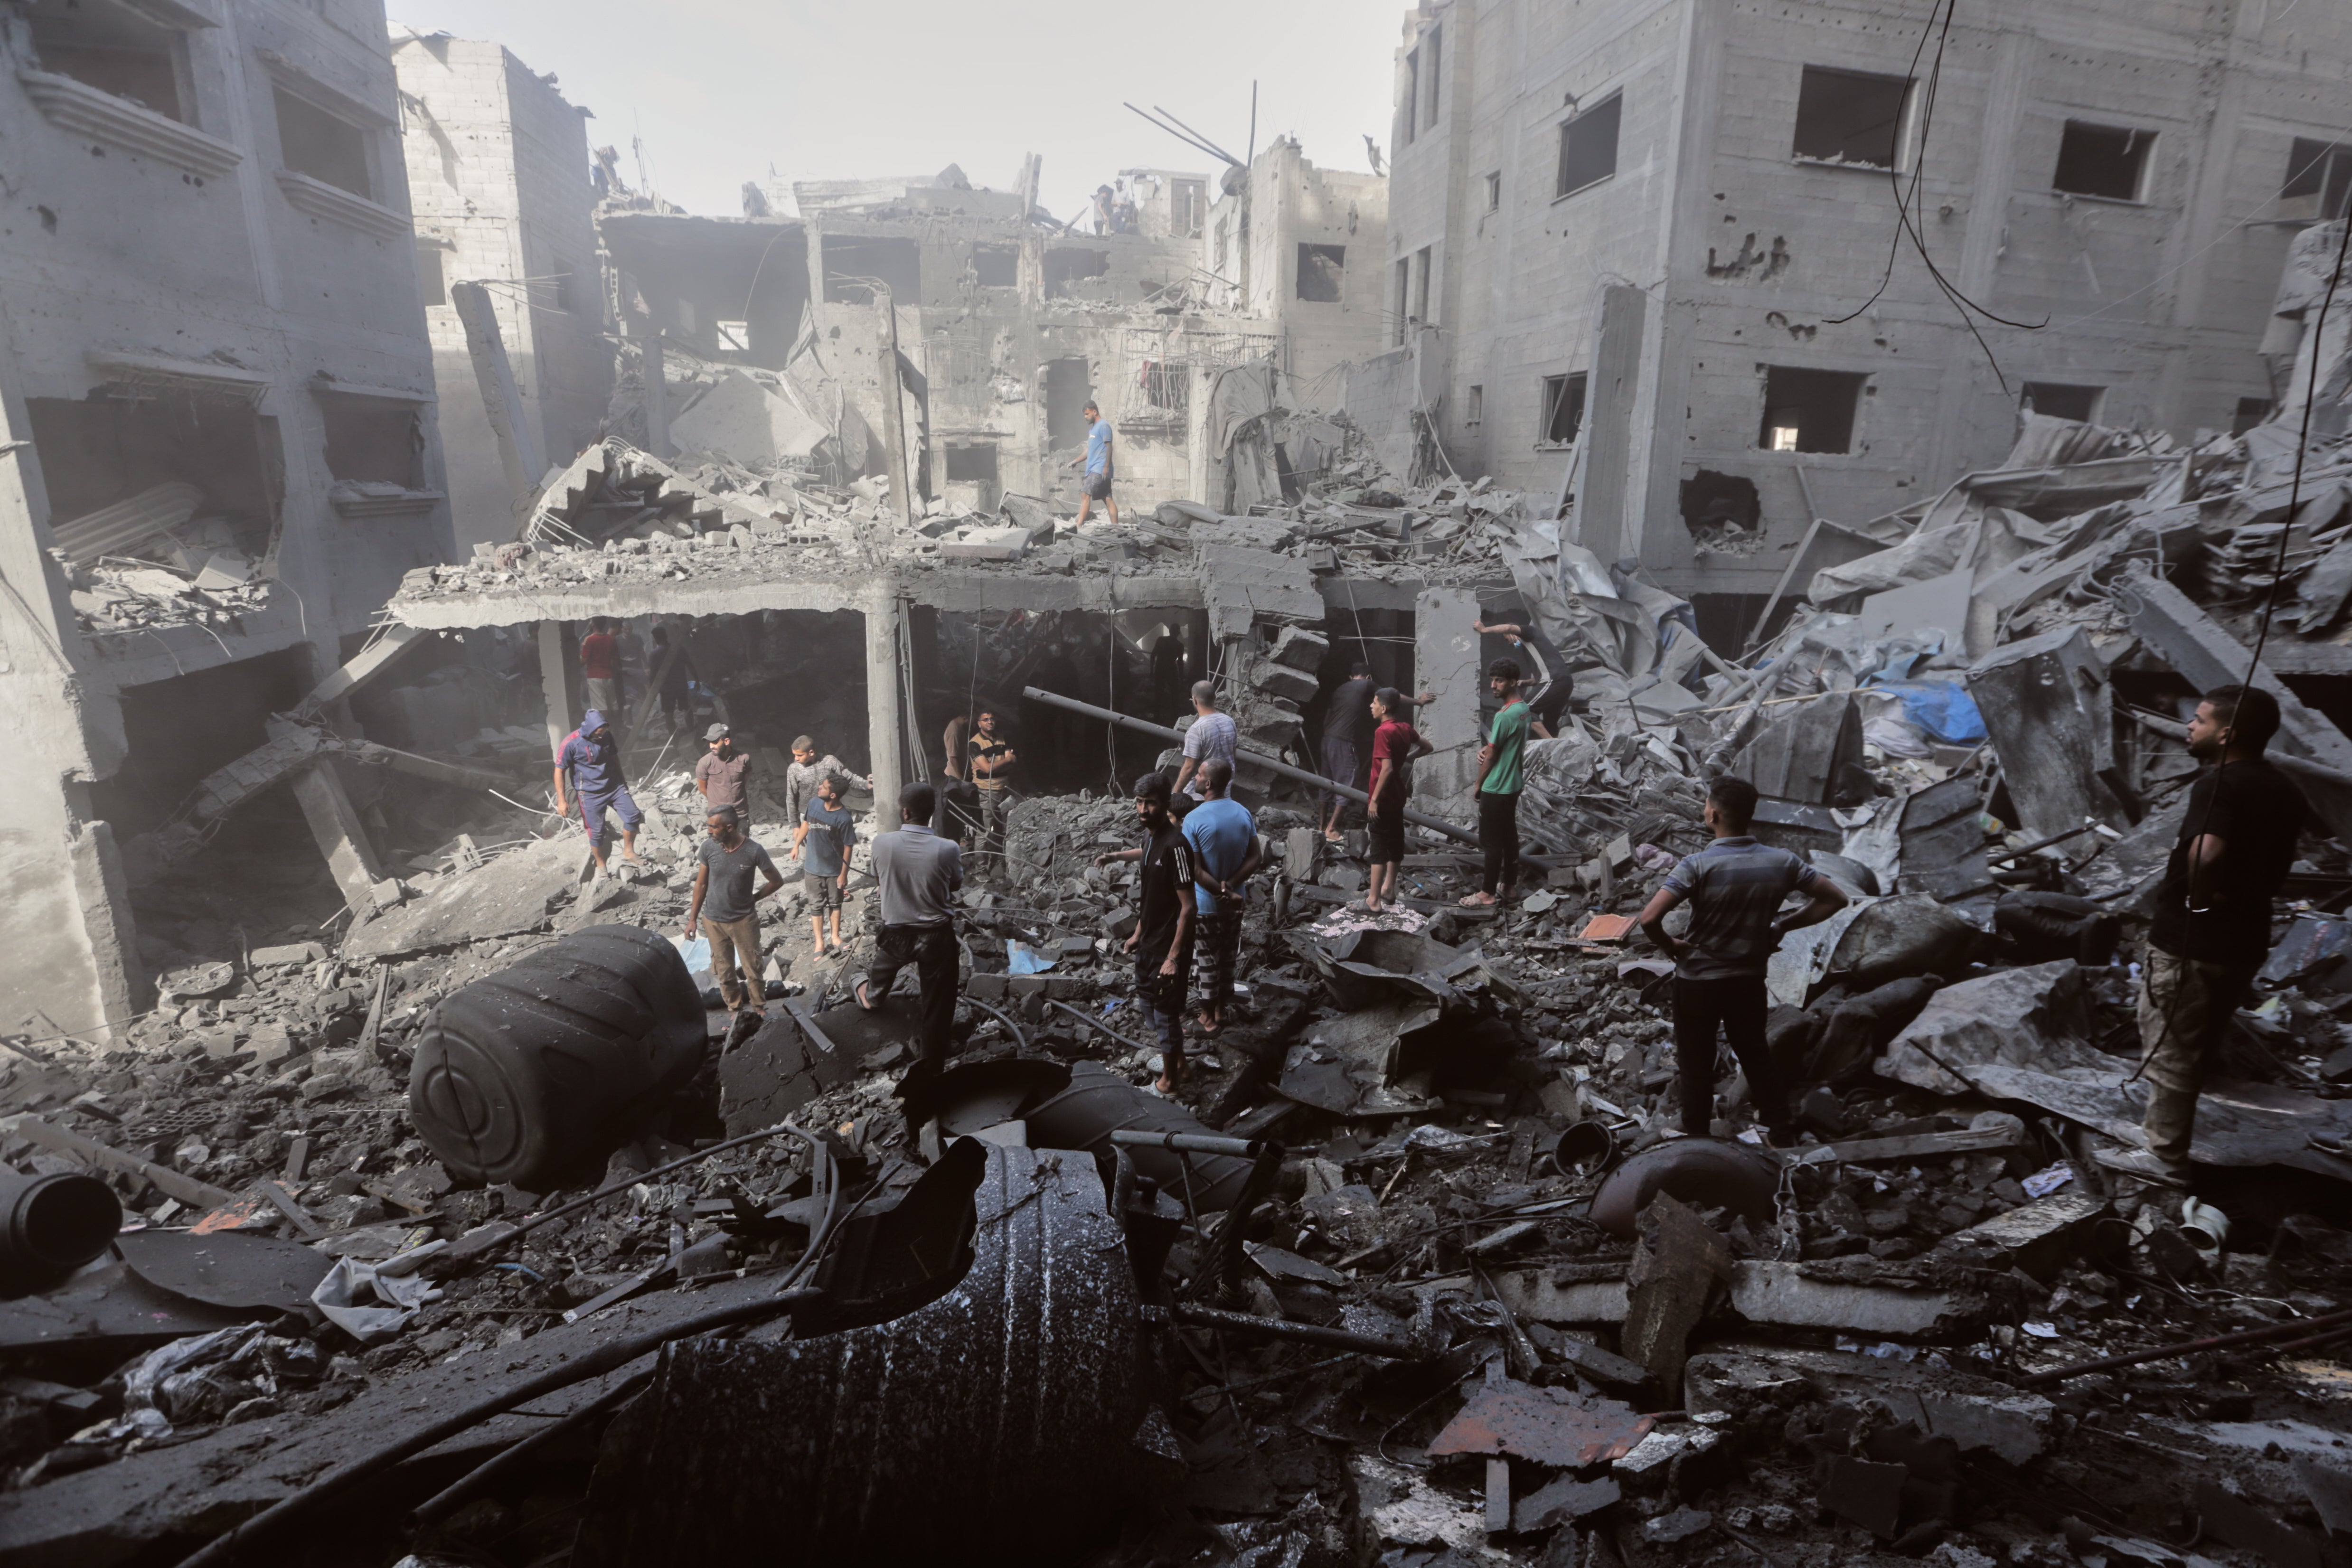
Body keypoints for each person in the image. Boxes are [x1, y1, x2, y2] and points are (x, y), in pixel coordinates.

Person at [2137, 685, 2307, 1181]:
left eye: (2200, 719)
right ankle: (2169, 1136)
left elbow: (2206, 854)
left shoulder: (2218, 786)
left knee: (2170, 1044)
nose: (2189, 726)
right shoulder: (2287, 789)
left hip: (2193, 940)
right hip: (2246, 939)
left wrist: (2200, 899)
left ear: (2227, 733)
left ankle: (2163, 1158)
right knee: (2201, 1041)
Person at [1636, 776, 1849, 1140]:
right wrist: (1784, 925)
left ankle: (1698, 1137)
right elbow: (1836, 899)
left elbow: (1648, 919)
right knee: (1754, 1054)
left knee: (1696, 1062)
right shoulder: (1782, 861)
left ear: (1712, 814)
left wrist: (1670, 945)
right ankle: (1780, 1128)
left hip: (1698, 982)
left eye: (1706, 804)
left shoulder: (1696, 865)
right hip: (1747, 980)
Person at [1095, 773, 1195, 1093]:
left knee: (1165, 1016)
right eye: (1139, 802)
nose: (1142, 809)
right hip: (1149, 944)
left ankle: (1170, 1081)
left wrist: (1174, 958)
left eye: (1150, 803)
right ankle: (1179, 1062)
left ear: (1164, 804)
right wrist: (1138, 932)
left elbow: (1188, 907)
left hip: (1167, 949)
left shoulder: (1177, 846)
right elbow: (1152, 898)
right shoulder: (1150, 838)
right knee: (1151, 1010)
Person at [861, 781, 964, 1076]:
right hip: (936, 938)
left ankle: (874, 996)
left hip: (896, 936)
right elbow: (955, 884)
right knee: (938, 1006)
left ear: (904, 812)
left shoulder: (882, 843)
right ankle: (933, 1067)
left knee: (881, 971)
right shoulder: (948, 848)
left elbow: (878, 878)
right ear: (932, 812)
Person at [1181, 759, 1261, 1039]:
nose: (1196, 779)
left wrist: (1219, 892)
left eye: (1200, 775)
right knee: (1227, 957)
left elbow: (1195, 870)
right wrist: (1233, 888)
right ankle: (1221, 1011)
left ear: (1209, 784)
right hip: (1236, 904)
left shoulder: (1193, 818)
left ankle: (1207, 1019)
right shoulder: (1242, 813)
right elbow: (1256, 857)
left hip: (1207, 906)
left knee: (1206, 962)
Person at [685, 806, 785, 1021]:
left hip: (744, 921)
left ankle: (759, 1008)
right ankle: (735, 1010)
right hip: (713, 921)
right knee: (724, 969)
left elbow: (776, 881)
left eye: (713, 826)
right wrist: (692, 919)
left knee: (753, 966)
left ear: (729, 828)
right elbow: (701, 884)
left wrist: (754, 898)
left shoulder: (754, 851)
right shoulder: (708, 848)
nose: (709, 831)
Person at [1462, 659, 1531, 908]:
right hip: (1513, 784)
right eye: (1492, 680)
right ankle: (1509, 887)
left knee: (1491, 842)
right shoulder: (1523, 709)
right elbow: (1500, 746)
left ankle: (1487, 894)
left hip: (1497, 786)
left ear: (1513, 682)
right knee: (1509, 837)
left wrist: (1479, 784)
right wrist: (1488, 749)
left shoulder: (1504, 716)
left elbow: (1491, 756)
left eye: (1499, 680)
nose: (1493, 685)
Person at [1364, 688, 1433, 914]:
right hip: (1397, 797)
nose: (1371, 706)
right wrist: (1406, 758)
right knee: (1395, 843)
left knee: (1378, 846)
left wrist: (1374, 800)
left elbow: (1387, 768)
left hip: (1382, 798)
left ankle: (1373, 899)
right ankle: (1389, 889)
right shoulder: (1405, 728)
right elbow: (1428, 746)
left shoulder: (1383, 732)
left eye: (1374, 703)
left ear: (1384, 709)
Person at [553, 708, 642, 874]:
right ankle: (601, 865)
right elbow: (559, 770)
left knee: (633, 815)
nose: (601, 737)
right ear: (589, 729)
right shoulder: (571, 743)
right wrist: (562, 800)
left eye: (603, 733)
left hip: (614, 786)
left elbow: (614, 757)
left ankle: (628, 852)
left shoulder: (607, 736)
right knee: (596, 832)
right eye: (598, 734)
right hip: (590, 793)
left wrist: (622, 781)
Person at [1475, 616, 1574, 739]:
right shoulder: (1537, 648)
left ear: (1512, 633)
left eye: (1507, 640)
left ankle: (1552, 743)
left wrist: (1484, 630)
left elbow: (1508, 627)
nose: (1509, 644)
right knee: (1550, 721)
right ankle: (1554, 749)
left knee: (1524, 710)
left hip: (1554, 681)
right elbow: (1545, 675)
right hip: (1565, 682)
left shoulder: (1530, 632)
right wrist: (1527, 682)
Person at [792, 772, 857, 957]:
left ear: (833, 795)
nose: (819, 787)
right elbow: (806, 824)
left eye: (824, 786)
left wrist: (843, 874)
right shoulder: (814, 804)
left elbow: (848, 847)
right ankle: (820, 943)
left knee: (835, 903)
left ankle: (835, 938)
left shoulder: (844, 818)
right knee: (816, 905)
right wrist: (796, 845)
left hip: (833, 870)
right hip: (812, 868)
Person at [1320, 660, 1377, 843]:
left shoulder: (1339, 690)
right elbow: (1391, 696)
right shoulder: (1366, 684)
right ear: (1368, 677)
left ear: (1350, 677)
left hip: (1327, 739)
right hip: (1342, 742)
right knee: (1347, 783)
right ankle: (1332, 828)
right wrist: (1418, 701)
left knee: (1326, 783)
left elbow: (1327, 718)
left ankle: (1321, 827)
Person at [965, 704, 1017, 879]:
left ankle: (999, 862)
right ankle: (981, 870)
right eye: (985, 720)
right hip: (985, 792)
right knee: (984, 831)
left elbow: (1013, 760)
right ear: (978, 723)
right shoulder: (974, 743)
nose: (990, 722)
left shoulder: (1002, 738)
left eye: (992, 719)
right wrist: (1007, 760)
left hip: (1004, 790)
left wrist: (1004, 762)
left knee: (1002, 829)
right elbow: (987, 769)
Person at [1173, 680, 1237, 813]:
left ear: (1195, 700)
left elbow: (1189, 767)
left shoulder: (1197, 729)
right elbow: (1233, 755)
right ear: (1215, 698)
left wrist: (1176, 792)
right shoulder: (1229, 722)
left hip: (1199, 796)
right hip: (1224, 792)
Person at [784, 735, 866, 831]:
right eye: (794, 755)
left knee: (835, 843)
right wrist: (795, 826)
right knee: (813, 844)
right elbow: (791, 797)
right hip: (808, 817)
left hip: (832, 813)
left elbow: (849, 778)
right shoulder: (794, 769)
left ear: (811, 752)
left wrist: (866, 784)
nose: (796, 759)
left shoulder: (829, 761)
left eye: (799, 755)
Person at [1072, 399, 1118, 526]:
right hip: (1098, 469)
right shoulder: (1093, 430)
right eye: (1084, 415)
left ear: (1095, 412)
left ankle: (1079, 526)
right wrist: (1075, 461)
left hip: (1100, 469)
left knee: (1085, 494)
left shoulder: (1104, 426)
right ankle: (1116, 527)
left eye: (1087, 414)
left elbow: (1109, 447)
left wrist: (1106, 466)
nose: (1085, 417)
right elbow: (1089, 450)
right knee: (1107, 498)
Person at [649, 624, 698, 737]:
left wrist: (652, 693)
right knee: (687, 708)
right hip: (681, 685)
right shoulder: (678, 649)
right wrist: (697, 680)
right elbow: (690, 665)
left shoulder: (654, 654)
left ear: (655, 639)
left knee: (669, 714)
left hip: (666, 690)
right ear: (666, 636)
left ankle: (674, 738)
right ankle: (692, 732)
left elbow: (653, 675)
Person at [694, 723, 752, 818]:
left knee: (742, 833)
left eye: (715, 742)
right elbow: (702, 788)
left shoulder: (744, 758)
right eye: (709, 742)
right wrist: (717, 801)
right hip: (718, 815)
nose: (711, 746)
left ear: (727, 741)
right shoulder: (705, 762)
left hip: (740, 813)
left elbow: (745, 781)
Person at [579, 618, 622, 730]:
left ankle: (604, 732)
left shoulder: (590, 640)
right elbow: (615, 660)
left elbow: (584, 661)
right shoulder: (611, 639)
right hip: (609, 677)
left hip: (595, 677)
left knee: (601, 707)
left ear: (593, 624)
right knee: (613, 705)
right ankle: (617, 728)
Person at [1151, 628, 1189, 719]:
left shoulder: (1161, 640)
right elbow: (1180, 662)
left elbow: (1153, 655)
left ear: (1170, 631)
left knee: (1158, 693)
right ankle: (1175, 717)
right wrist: (1182, 677)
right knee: (1174, 694)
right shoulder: (1180, 645)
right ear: (1178, 633)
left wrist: (1151, 671)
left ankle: (1157, 716)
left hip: (1160, 668)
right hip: (1172, 669)